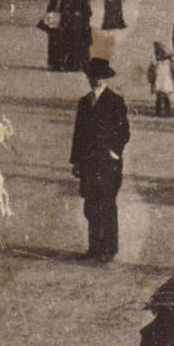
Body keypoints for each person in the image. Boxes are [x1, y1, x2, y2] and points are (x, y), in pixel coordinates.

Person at [70, 58, 130, 261]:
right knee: (90, 205)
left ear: (106, 79)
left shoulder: (115, 101)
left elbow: (124, 132)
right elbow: (78, 134)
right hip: (88, 163)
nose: (95, 80)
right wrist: (76, 161)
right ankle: (94, 247)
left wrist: (114, 152)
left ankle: (109, 249)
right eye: (92, 77)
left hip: (107, 164)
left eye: (99, 77)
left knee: (106, 204)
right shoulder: (84, 102)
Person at [57, 0, 93, 72]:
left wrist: (80, 15)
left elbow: (89, 13)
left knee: (81, 45)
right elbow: (61, 10)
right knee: (68, 44)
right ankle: (69, 64)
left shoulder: (84, 0)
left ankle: (81, 64)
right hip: (68, 26)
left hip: (81, 26)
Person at [148, 43, 174, 116]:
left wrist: (151, 80)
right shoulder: (160, 64)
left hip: (163, 82)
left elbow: (150, 73)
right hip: (163, 83)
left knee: (162, 97)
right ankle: (163, 110)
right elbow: (151, 73)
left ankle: (163, 110)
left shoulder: (159, 64)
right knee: (162, 97)